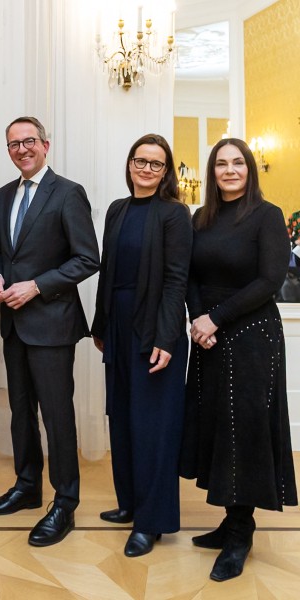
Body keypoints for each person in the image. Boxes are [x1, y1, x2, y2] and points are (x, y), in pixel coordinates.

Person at [180, 137, 297, 581]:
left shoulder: (267, 216)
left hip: (251, 335)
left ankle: (240, 534)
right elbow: (190, 275)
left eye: (238, 163)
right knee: (218, 428)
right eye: (221, 164)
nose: (229, 170)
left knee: (244, 430)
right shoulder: (202, 217)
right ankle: (229, 519)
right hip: (210, 334)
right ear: (212, 172)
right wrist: (198, 319)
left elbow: (270, 279)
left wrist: (215, 318)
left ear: (249, 169)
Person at [0, 116, 99, 547]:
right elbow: (1, 253)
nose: (21, 149)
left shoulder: (68, 193)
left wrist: (36, 285)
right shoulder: (2, 195)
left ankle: (65, 503)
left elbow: (88, 259)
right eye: (13, 143)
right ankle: (27, 485)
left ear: (45, 145)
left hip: (52, 325)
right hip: (13, 326)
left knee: (57, 417)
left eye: (29, 141)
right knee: (20, 413)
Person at [90, 134, 192, 557]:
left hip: (156, 331)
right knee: (124, 420)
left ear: (165, 172)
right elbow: (107, 271)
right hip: (118, 325)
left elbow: (175, 281)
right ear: (130, 164)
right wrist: (100, 326)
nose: (147, 169)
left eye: (156, 164)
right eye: (140, 161)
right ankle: (130, 504)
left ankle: (152, 522)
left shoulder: (175, 214)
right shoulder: (117, 209)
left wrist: (167, 337)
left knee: (153, 428)